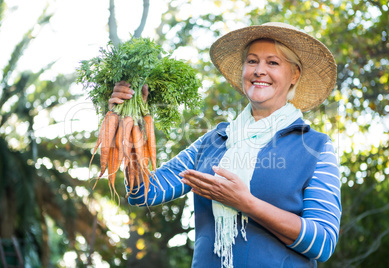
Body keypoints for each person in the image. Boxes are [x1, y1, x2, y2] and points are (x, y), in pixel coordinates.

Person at [109, 22, 341, 268]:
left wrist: (246, 203)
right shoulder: (213, 141)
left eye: (273, 63)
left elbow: (323, 243)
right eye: (252, 61)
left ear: (294, 75)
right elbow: (142, 192)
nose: (259, 70)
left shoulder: (316, 147)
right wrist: (131, 120)